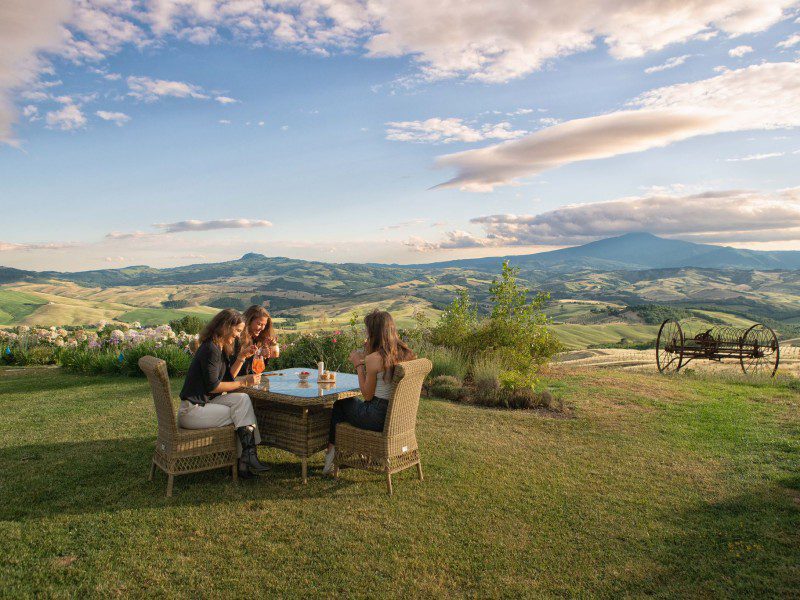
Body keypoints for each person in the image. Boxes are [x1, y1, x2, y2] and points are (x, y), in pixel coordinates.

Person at [178, 308, 271, 479]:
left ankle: (245, 458)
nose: (238, 335)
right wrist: (245, 382)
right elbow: (214, 386)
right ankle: (245, 458)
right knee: (240, 414)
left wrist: (242, 357)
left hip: (203, 404)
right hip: (192, 411)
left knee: (242, 399)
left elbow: (228, 378)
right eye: (237, 330)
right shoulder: (211, 349)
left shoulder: (218, 347)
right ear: (225, 326)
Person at [322, 310, 416, 475]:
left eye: (367, 331)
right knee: (346, 405)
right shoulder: (405, 354)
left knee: (340, 404)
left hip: (376, 416)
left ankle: (330, 455)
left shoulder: (375, 358)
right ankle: (352, 451)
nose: (366, 335)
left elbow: (367, 395)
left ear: (374, 333)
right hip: (397, 417)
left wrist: (359, 365)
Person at [228, 305, 280, 380]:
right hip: (235, 381)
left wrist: (265, 351)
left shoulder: (259, 339)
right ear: (249, 321)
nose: (262, 328)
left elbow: (275, 355)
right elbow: (232, 370)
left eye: (264, 325)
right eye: (259, 324)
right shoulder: (236, 339)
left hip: (251, 381)